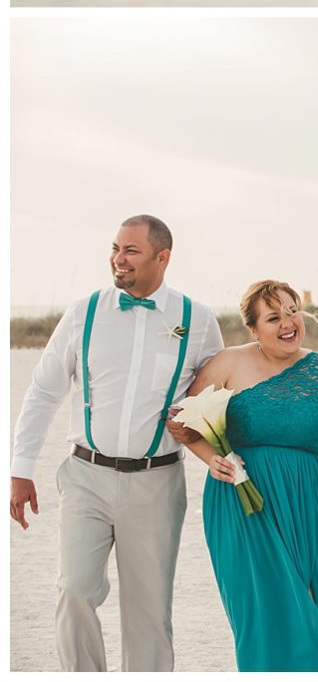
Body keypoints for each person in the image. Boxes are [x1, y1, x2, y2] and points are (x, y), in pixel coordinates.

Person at [9, 215, 223, 672]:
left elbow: (214, 400)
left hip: (157, 480)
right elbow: (44, 390)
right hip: (85, 476)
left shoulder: (197, 320)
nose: (117, 259)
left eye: (131, 251)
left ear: (162, 258)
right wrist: (21, 467)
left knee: (148, 609)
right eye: (115, 248)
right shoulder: (84, 312)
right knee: (73, 590)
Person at [177, 279, 318, 671]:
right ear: (253, 328)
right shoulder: (228, 363)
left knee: (312, 600)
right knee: (262, 610)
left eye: (293, 311)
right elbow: (183, 422)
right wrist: (211, 459)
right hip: (241, 502)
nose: (288, 323)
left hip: (308, 501)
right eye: (273, 317)